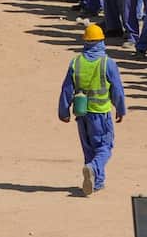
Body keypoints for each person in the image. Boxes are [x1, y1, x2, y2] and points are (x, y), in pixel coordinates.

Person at [59, 23, 127, 196]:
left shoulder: (76, 62)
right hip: (101, 114)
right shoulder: (107, 63)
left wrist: (63, 111)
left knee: (89, 148)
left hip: (82, 114)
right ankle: (93, 168)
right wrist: (120, 109)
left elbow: (67, 88)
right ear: (101, 41)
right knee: (104, 147)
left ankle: (96, 182)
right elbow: (117, 90)